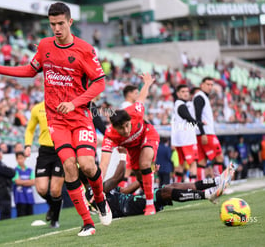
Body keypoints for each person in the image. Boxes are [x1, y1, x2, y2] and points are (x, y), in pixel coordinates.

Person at [0, 2, 110, 236]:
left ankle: (101, 200)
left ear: (70, 22)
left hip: (80, 116)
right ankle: (87, 223)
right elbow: (30, 70)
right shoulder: (44, 46)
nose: (56, 28)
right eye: (52, 24)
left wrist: (74, 102)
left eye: (61, 23)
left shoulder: (85, 49)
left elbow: (100, 82)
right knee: (69, 167)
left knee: (87, 164)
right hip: (56, 120)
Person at [96, 155, 233, 218]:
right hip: (128, 208)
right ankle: (208, 194)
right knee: (166, 191)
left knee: (171, 185)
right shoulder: (94, 191)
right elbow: (117, 177)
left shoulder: (103, 186)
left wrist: (147, 175)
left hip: (134, 200)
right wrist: (122, 155)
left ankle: (216, 181)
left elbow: (125, 190)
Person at [100, 72, 158, 216]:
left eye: (127, 126)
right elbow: (104, 163)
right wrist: (97, 187)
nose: (126, 131)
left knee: (145, 163)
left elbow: (142, 97)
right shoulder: (109, 135)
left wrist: (147, 83)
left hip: (147, 134)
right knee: (139, 176)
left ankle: (150, 205)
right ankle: (150, 196)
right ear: (114, 127)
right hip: (132, 148)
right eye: (121, 128)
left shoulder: (136, 112)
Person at [24, 101, 64, 228]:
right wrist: (28, 145)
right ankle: (54, 206)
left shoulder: (63, 106)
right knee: (41, 189)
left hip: (60, 149)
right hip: (45, 152)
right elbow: (30, 129)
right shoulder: (37, 109)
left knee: (55, 190)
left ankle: (55, 220)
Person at [193, 77, 223, 180]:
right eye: (208, 84)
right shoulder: (200, 97)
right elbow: (197, 117)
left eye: (211, 85)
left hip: (201, 134)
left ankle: (201, 188)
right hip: (206, 133)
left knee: (202, 162)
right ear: (202, 85)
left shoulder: (202, 97)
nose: (210, 87)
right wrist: (203, 133)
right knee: (219, 158)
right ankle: (218, 184)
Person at [171, 84, 198, 183]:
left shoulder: (179, 104)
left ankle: (176, 186)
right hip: (187, 139)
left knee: (180, 165)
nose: (186, 93)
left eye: (187, 91)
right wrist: (198, 123)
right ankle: (193, 186)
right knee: (193, 163)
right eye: (183, 92)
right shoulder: (181, 105)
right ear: (178, 94)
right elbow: (189, 119)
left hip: (179, 140)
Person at [13, 151, 35, 217]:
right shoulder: (15, 170)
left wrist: (21, 181)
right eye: (18, 158)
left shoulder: (30, 170)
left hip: (29, 198)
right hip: (20, 198)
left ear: (25, 158)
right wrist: (28, 181)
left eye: (22, 158)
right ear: (16, 159)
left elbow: (33, 182)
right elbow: (17, 182)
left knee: (30, 216)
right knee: (21, 217)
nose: (20, 160)